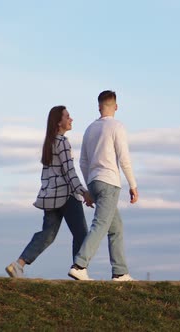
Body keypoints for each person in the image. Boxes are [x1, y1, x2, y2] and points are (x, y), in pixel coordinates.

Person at [5, 106, 94, 278]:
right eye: (68, 116)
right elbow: (70, 172)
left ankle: (19, 264)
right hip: (67, 196)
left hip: (50, 197)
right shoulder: (62, 142)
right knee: (81, 234)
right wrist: (84, 193)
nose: (71, 119)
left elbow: (47, 176)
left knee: (47, 235)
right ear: (59, 122)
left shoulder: (49, 143)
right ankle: (79, 270)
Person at [68, 90, 139, 282]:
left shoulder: (90, 129)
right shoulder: (117, 126)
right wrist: (133, 185)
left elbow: (82, 162)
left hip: (94, 182)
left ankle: (120, 272)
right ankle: (79, 265)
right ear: (116, 106)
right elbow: (124, 158)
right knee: (100, 224)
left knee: (116, 227)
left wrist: (89, 187)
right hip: (109, 182)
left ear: (99, 107)